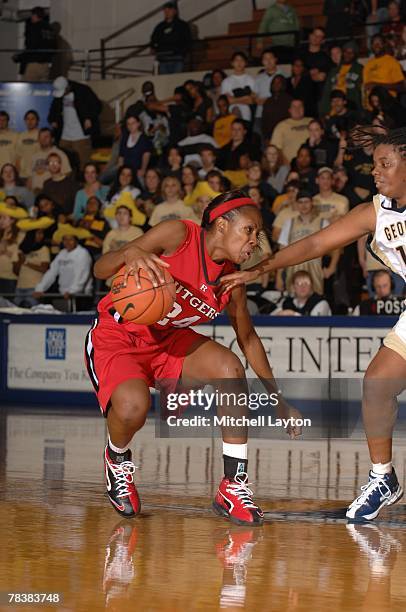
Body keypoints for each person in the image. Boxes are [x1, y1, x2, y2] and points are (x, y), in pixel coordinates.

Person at [220, 125, 406, 522]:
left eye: (385, 164)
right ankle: (382, 477)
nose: (376, 172)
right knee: (377, 382)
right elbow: (314, 245)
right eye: (374, 165)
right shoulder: (374, 213)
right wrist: (259, 268)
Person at [88, 190, 301, 523]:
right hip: (120, 336)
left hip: (168, 341)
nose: (254, 241)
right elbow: (101, 268)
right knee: (132, 407)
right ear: (220, 224)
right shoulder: (179, 235)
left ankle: (233, 485)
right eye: (249, 230)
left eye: (258, 235)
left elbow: (248, 339)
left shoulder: (232, 281)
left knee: (229, 368)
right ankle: (116, 459)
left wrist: (278, 399)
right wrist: (129, 252)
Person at [48, 77, 102, 168]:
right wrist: (53, 120)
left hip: (81, 135)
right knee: (63, 164)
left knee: (83, 164)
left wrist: (89, 118)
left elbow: (97, 106)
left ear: (67, 87)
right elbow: (53, 110)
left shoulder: (83, 90)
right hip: (64, 136)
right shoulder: (59, 97)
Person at [33, 232, 92, 301]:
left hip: (79, 295)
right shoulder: (62, 253)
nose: (68, 242)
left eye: (71, 240)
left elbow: (81, 275)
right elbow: (51, 272)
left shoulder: (83, 253)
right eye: (65, 240)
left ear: (76, 241)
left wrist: (72, 291)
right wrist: (40, 289)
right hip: (63, 294)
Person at [363, 34, 405, 107]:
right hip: (371, 108)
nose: (376, 45)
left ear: (384, 45)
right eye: (374, 43)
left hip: (388, 106)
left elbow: (402, 87)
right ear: (371, 46)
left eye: (379, 42)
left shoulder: (392, 61)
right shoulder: (368, 65)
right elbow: (366, 88)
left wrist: (377, 85)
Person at [150, 2, 191, 74]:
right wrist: (153, 47)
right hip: (163, 58)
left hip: (177, 57)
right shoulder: (160, 26)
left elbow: (188, 40)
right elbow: (153, 39)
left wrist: (183, 52)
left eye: (169, 10)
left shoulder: (182, 25)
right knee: (165, 80)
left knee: (176, 79)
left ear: (175, 11)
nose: (167, 13)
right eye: (165, 11)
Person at [12, 228, 50, 308]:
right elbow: (15, 271)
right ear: (31, 235)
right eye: (38, 233)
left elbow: (44, 269)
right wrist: (19, 261)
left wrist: (26, 262)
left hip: (34, 287)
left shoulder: (43, 249)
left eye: (42, 234)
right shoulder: (21, 249)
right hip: (20, 287)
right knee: (16, 313)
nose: (41, 236)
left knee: (31, 313)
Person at [16, 6, 56, 82]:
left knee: (27, 89)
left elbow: (31, 46)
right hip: (46, 65)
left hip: (33, 64)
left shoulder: (34, 27)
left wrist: (19, 57)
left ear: (35, 15)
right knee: (42, 90)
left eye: (32, 15)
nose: (31, 17)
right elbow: (54, 47)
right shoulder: (50, 29)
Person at [29, 127, 71, 193]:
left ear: (52, 139)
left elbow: (67, 173)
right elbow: (31, 176)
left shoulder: (60, 154)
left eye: (46, 137)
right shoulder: (34, 156)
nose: (43, 139)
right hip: (35, 192)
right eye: (41, 137)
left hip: (52, 192)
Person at [270, 99, 311, 164]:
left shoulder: (311, 122)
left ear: (304, 109)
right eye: (294, 107)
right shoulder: (281, 126)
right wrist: (287, 165)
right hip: (289, 165)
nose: (297, 109)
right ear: (289, 110)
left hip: (311, 165)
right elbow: (276, 149)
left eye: (300, 106)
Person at [220, 53, 255, 122]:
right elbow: (227, 101)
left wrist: (234, 99)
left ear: (245, 63)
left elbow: (252, 100)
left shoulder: (251, 79)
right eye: (236, 60)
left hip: (248, 114)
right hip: (231, 114)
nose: (239, 63)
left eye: (241, 60)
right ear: (232, 63)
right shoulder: (226, 81)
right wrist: (245, 98)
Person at [118, 113, 152, 180]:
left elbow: (146, 155)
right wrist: (120, 170)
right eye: (128, 124)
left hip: (137, 171)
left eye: (133, 123)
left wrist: (143, 170)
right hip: (124, 170)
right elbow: (121, 156)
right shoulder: (124, 138)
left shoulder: (144, 139)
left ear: (138, 124)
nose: (131, 126)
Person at [16, 110, 40, 181]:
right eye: (28, 119)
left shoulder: (42, 134)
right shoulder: (21, 135)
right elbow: (18, 156)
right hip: (22, 175)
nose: (30, 121)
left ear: (37, 121)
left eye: (33, 119)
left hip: (37, 175)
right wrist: (17, 173)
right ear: (25, 121)